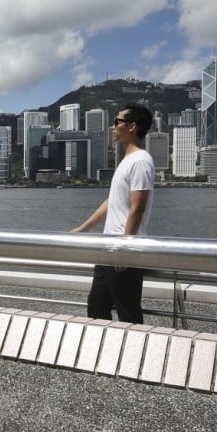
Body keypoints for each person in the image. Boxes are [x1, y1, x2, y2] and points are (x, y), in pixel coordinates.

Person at [72, 104, 155, 324]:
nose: (113, 126)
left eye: (117, 121)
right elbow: (113, 202)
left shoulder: (141, 161)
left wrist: (123, 248)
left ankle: (134, 355)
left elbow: (138, 207)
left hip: (123, 252)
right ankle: (107, 354)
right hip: (109, 249)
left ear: (132, 127)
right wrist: (83, 229)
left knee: (127, 312)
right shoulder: (126, 161)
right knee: (97, 306)